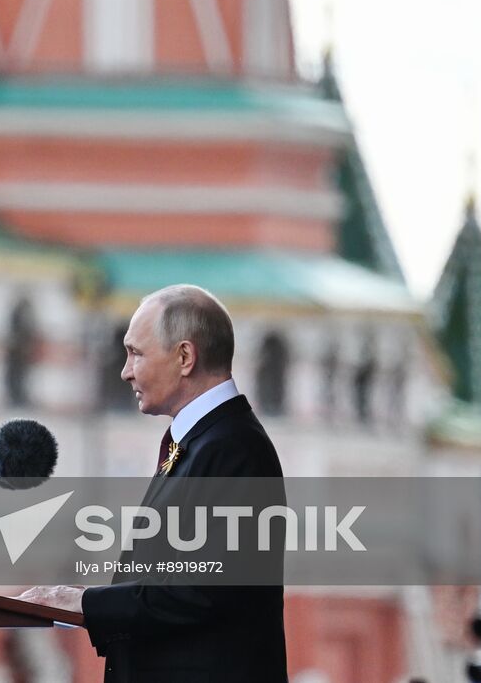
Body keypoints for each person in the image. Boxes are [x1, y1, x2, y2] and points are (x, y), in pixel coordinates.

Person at [19, 284, 288, 682]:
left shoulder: (234, 447)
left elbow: (202, 590)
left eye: (136, 353)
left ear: (184, 356)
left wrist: (84, 603)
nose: (126, 371)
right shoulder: (200, 440)